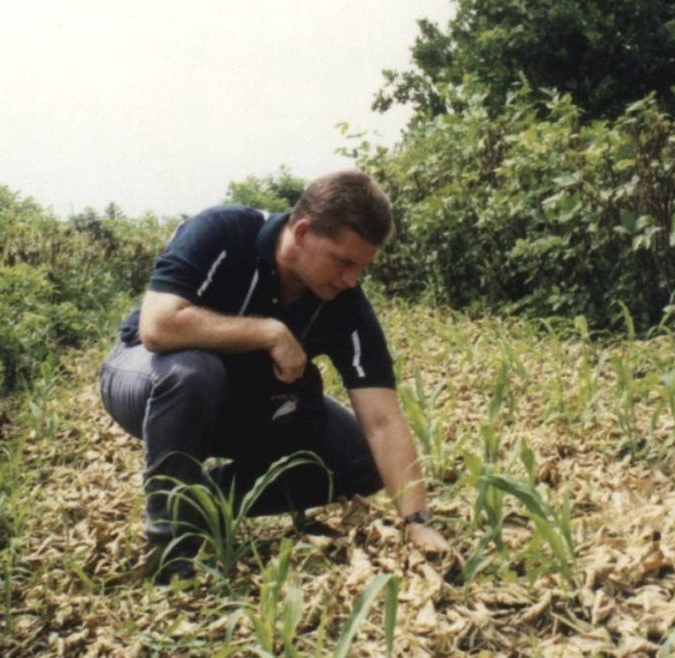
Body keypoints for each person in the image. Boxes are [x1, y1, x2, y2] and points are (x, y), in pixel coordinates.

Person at [98, 170, 450, 576]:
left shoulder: (346, 302)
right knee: (194, 373)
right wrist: (269, 332)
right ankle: (169, 545)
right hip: (145, 377)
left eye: (360, 268)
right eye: (343, 262)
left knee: (360, 460)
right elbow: (157, 327)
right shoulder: (222, 232)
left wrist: (417, 521)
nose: (351, 278)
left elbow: (383, 420)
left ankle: (199, 505)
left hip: (243, 401)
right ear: (301, 233)